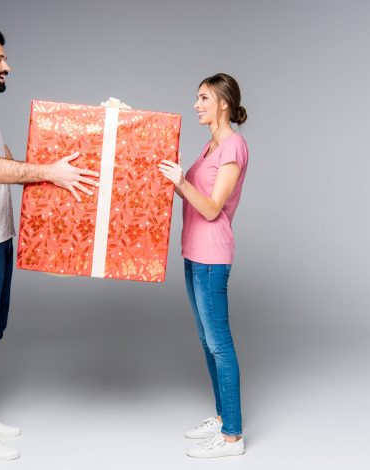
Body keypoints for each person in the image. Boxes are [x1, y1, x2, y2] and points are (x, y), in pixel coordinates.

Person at [0, 26, 99, 461]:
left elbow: (13, 165)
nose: (7, 66)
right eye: (0, 59)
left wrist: (86, 139)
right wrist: (48, 171)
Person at [158, 73, 249, 458]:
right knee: (205, 341)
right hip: (192, 253)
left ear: (223, 103)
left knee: (219, 344)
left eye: (203, 98)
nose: (196, 104)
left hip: (212, 258)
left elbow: (211, 208)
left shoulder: (233, 146)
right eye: (196, 98)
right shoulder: (211, 145)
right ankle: (221, 414)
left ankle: (233, 436)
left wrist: (180, 182)